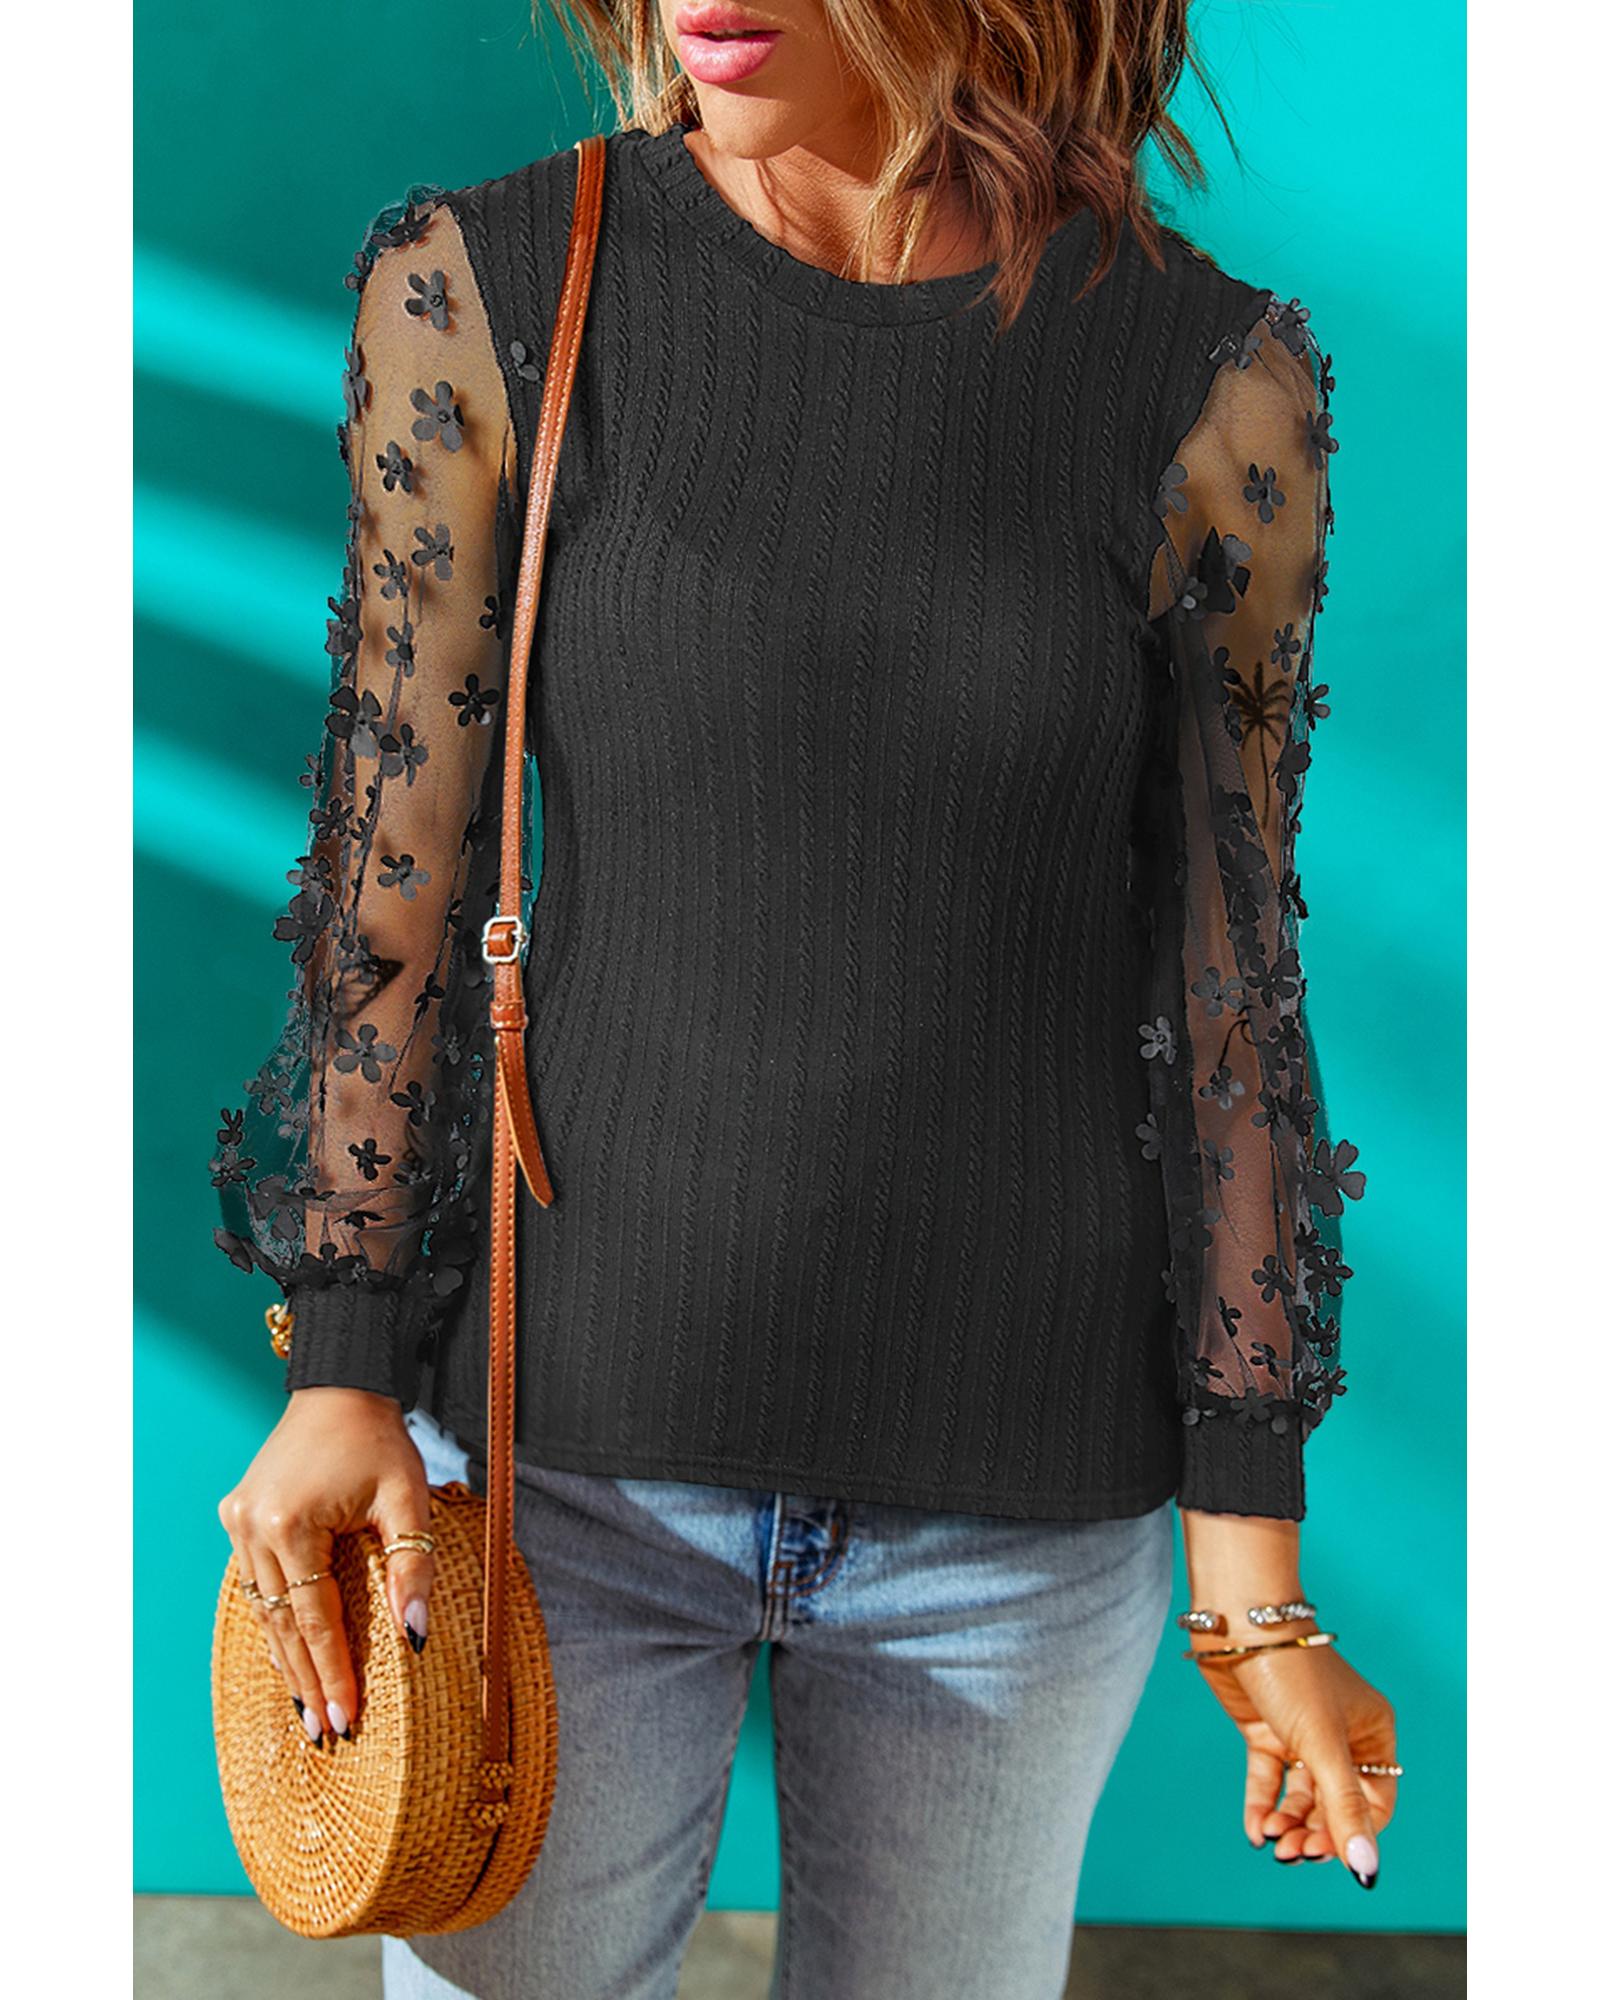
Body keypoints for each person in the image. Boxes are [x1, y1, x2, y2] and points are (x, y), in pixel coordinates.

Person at [210, 3, 1397, 1993]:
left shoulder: (1205, 374)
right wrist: (342, 1361)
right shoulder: (492, 285)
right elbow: (392, 871)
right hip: (560, 1480)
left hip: (1019, 1534)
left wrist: (1250, 1565)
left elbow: (1223, 972)